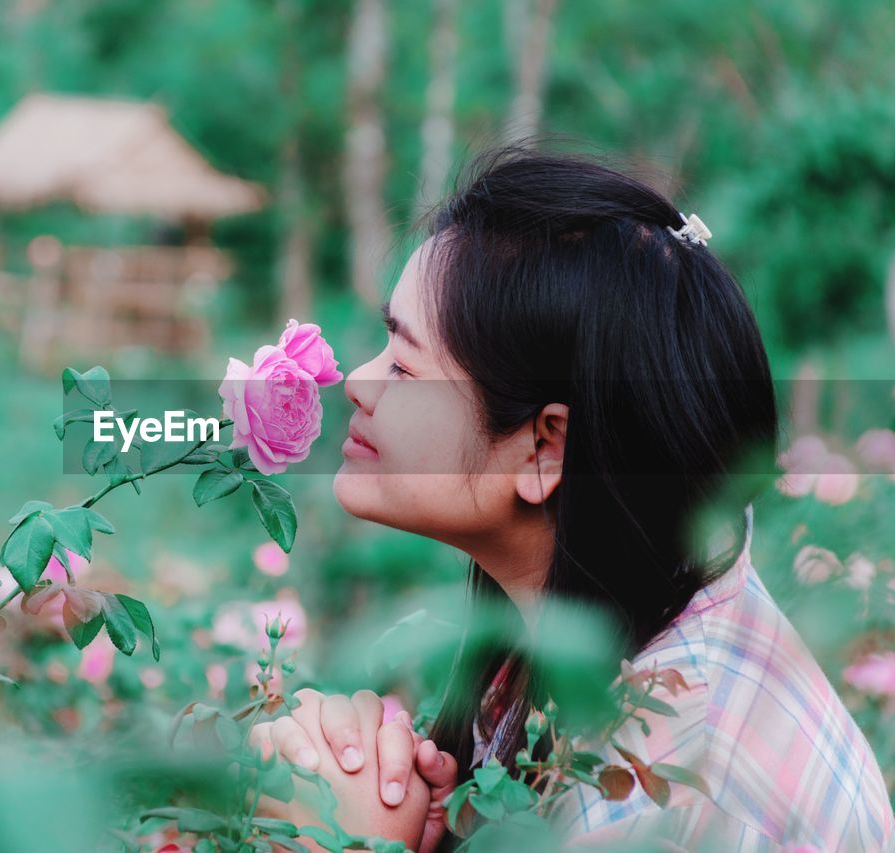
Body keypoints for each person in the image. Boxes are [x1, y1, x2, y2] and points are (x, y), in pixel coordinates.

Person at [251, 145, 895, 852]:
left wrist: (348, 845)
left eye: (405, 368)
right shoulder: (616, 607)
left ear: (544, 448)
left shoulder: (651, 794)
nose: (359, 382)